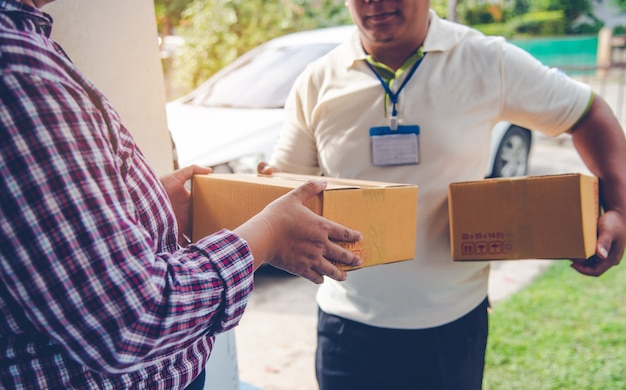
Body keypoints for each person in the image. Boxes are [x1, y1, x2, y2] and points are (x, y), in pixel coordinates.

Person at [259, 0, 626, 388]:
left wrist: (618, 207)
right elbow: (286, 188)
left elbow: (588, 113)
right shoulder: (317, 80)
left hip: (450, 325)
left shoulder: (487, 60)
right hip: (346, 327)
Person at [0, 0, 363, 389]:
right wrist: (269, 234)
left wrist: (143, 205)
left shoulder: (31, 42)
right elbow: (128, 320)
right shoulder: (21, 68)